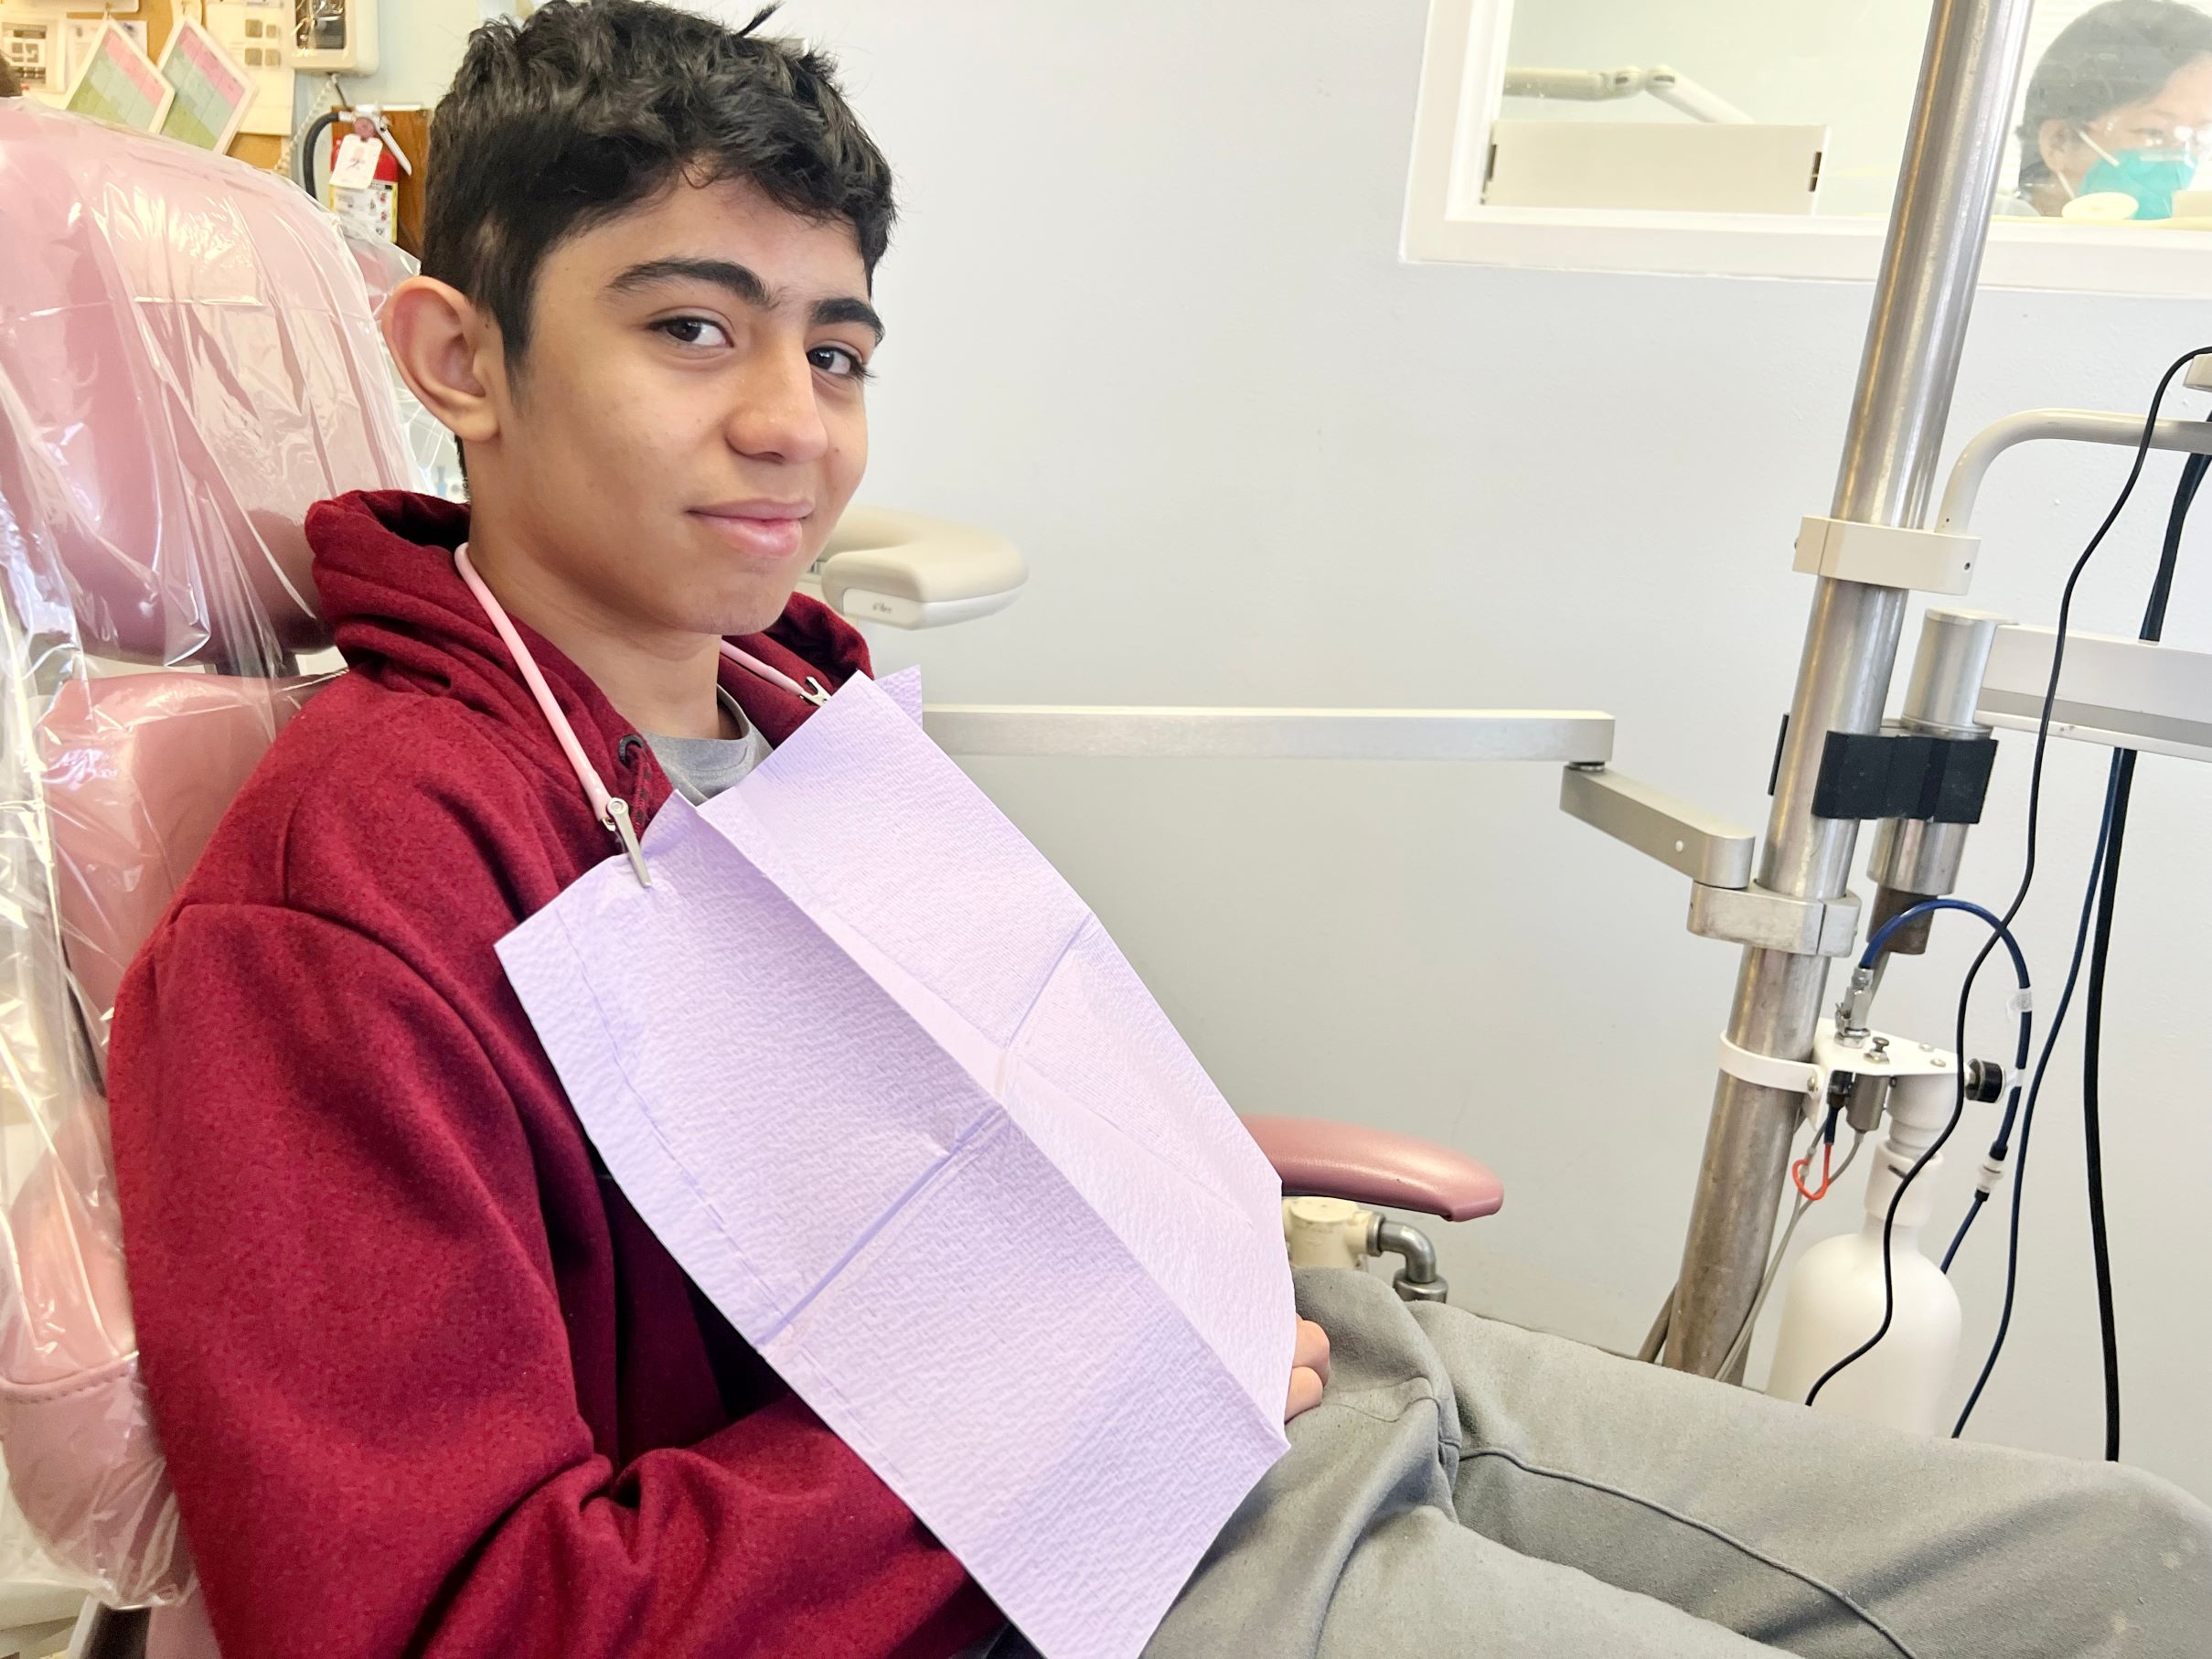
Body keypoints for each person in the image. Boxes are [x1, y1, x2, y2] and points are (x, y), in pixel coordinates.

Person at [107, 5, 2212, 1657]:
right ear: (456, 356)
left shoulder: (790, 718)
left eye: (834, 348)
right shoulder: (353, 897)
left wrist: (1182, 1268)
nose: (788, 423)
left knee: (2131, 1563)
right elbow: (437, 1620)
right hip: (1012, 1568)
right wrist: (1059, 1406)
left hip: (1286, 1373)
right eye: (688, 328)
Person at [2004, 0, 2212, 218]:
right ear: (2059, 142)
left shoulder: (2175, 247)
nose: (2181, 163)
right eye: (2155, 133)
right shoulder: (1990, 241)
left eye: (2201, 139)